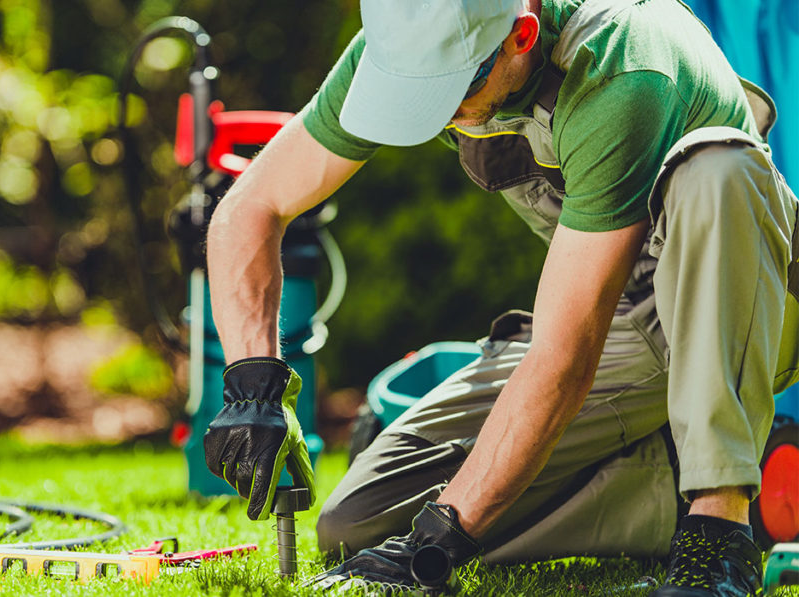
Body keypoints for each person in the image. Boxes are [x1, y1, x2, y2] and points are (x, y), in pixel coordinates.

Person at [200, 0, 799, 595]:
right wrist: (252, 382)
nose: (437, 113)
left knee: (719, 169)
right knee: (357, 521)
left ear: (521, 35)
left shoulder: (622, 66)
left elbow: (564, 357)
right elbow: (251, 207)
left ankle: (719, 525)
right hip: (619, 319)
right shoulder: (409, 47)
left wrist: (439, 539)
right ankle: (721, 473)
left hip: (739, 307)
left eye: (452, 90)